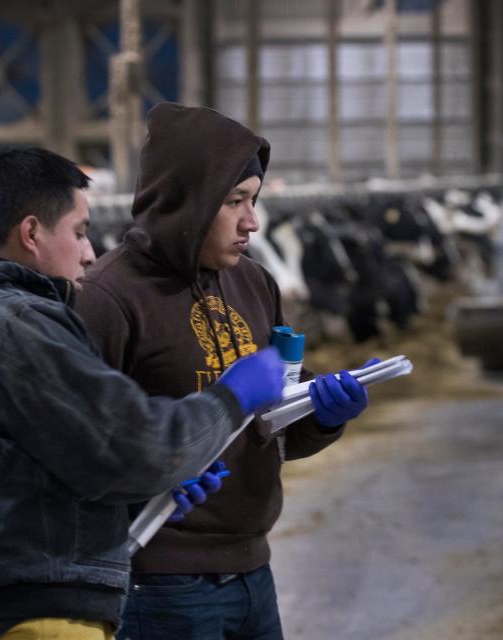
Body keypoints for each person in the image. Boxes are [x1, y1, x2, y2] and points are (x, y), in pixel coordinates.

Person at [0, 147, 287, 640]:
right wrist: (231, 398)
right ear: (31, 233)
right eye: (78, 231)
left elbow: (5, 478)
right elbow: (136, 448)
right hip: (34, 620)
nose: (91, 252)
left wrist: (139, 502)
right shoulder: (14, 326)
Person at [78, 103, 374, 639]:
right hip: (157, 586)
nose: (251, 221)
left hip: (252, 572)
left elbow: (270, 426)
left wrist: (321, 414)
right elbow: (77, 445)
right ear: (185, 201)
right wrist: (149, 484)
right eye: (234, 201)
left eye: (253, 200)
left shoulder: (254, 283)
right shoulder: (107, 297)